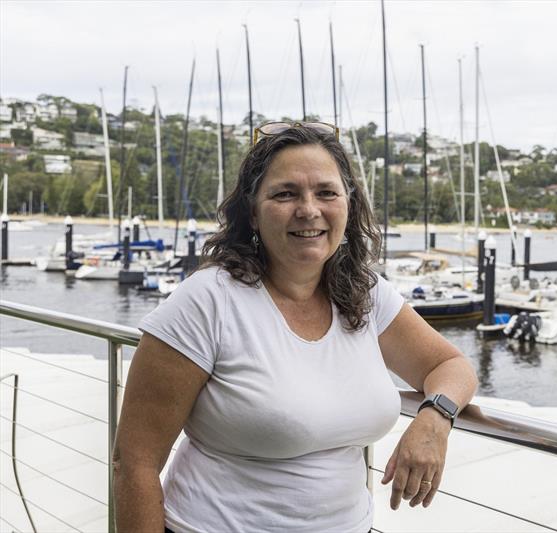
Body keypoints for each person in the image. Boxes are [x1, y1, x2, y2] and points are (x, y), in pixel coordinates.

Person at [113, 122, 478, 532]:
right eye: (285, 194)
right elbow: (135, 463)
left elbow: (450, 365)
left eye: (326, 192)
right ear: (252, 212)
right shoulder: (208, 300)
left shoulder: (366, 293)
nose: (309, 210)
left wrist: (434, 419)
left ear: (348, 205)